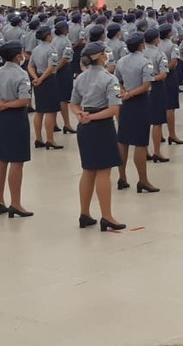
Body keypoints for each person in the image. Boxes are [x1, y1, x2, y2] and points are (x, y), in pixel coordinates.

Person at [70, 41, 126, 232]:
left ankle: (84, 213)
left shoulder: (80, 78)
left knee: (88, 170)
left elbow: (74, 103)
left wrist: (80, 115)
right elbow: (113, 108)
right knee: (103, 171)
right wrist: (92, 117)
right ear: (100, 57)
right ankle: (107, 216)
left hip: (84, 126)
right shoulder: (110, 79)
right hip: (101, 126)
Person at [0, 41, 33, 218]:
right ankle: (16, 203)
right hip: (15, 117)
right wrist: (7, 105)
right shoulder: (21, 74)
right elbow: (24, 100)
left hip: (0, 118)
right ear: (17, 56)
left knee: (0, 159)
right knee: (17, 162)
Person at [114, 32, 158, 192]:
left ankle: (122, 177)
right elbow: (147, 85)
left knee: (123, 141)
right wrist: (131, 94)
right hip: (140, 102)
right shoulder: (146, 63)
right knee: (140, 143)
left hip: (125, 103)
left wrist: (124, 92)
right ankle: (143, 180)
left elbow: (116, 81)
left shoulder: (121, 61)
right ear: (141, 46)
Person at [28, 26, 62, 149]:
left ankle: (38, 138)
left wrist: (35, 78)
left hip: (37, 79)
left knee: (39, 110)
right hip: (48, 80)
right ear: (48, 36)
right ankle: (50, 139)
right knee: (51, 111)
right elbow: (52, 66)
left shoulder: (36, 49)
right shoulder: (51, 49)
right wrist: (42, 79)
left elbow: (30, 66)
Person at [142, 28, 170, 163]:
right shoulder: (160, 54)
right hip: (156, 88)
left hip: (141, 88)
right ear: (156, 40)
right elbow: (164, 74)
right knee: (157, 121)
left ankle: (145, 151)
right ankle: (157, 152)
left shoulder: (141, 53)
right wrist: (152, 79)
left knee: (145, 120)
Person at [52, 20, 77, 134]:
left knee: (55, 95)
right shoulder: (66, 41)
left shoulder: (54, 40)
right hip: (63, 70)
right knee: (64, 98)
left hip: (53, 68)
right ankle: (67, 124)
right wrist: (57, 69)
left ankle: (54, 123)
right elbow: (65, 58)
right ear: (64, 29)